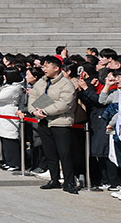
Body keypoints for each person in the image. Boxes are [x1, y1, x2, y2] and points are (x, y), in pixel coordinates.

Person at [28, 56, 79, 193]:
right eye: (43, 66)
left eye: (47, 66)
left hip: (60, 122)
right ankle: (54, 179)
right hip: (44, 121)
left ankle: (69, 182)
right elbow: (34, 96)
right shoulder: (43, 81)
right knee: (50, 153)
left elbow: (65, 103)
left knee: (64, 154)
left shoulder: (65, 84)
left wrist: (45, 110)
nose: (44, 69)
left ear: (56, 68)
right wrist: (34, 111)